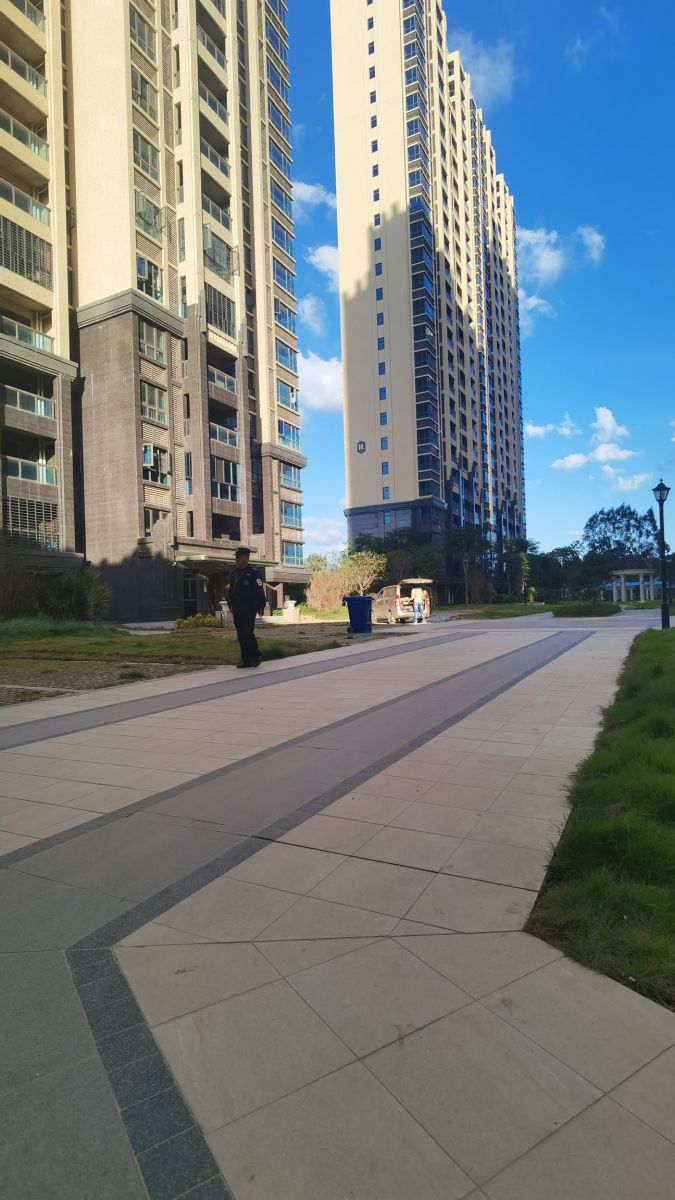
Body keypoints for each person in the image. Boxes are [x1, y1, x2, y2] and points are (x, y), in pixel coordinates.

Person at [227, 547, 266, 668]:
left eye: (239, 557)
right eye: (236, 557)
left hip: (249, 608)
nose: (236, 559)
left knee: (247, 633)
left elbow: (259, 590)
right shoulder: (234, 573)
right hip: (237, 608)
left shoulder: (254, 572)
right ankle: (246, 660)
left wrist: (261, 606)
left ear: (246, 558)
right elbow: (231, 591)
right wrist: (230, 605)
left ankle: (255, 657)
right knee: (241, 635)